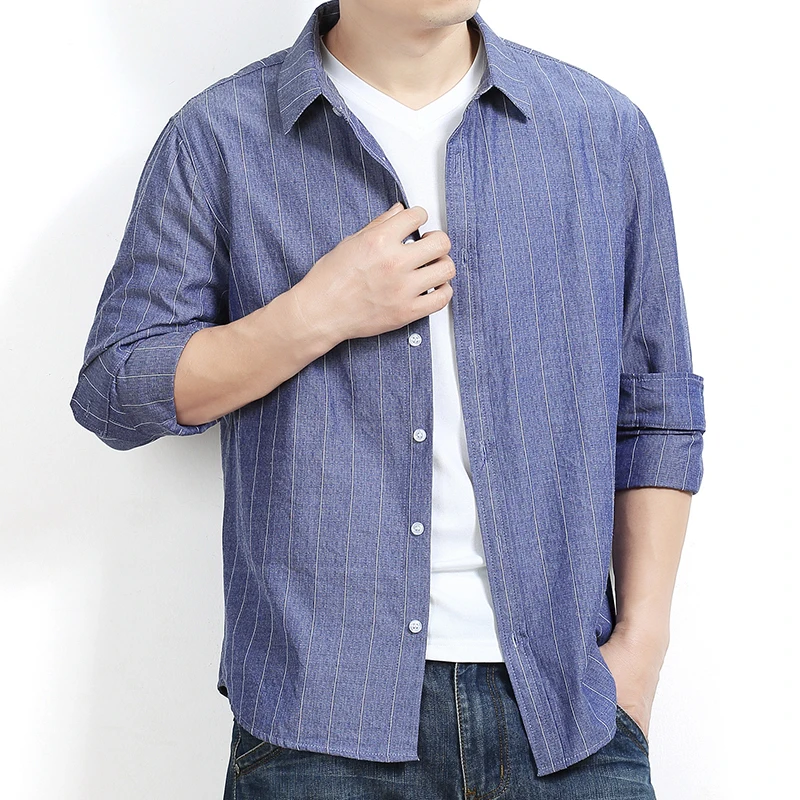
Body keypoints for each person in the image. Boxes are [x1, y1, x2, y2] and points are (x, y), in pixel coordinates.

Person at [70, 0, 706, 797]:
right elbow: (117, 388)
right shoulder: (220, 138)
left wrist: (642, 647)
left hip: (569, 712)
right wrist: (314, 313)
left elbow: (655, 407)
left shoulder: (600, 131)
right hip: (318, 724)